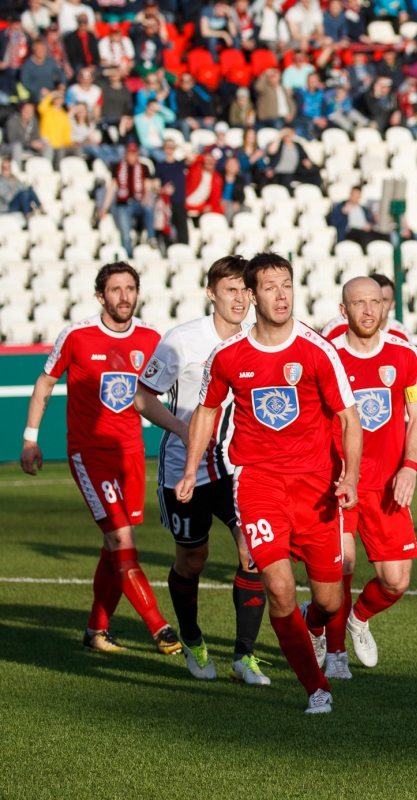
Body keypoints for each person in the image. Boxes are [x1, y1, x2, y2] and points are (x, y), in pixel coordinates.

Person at [177, 252, 363, 714]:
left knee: (329, 599)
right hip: (257, 484)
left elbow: (349, 417)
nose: (281, 295)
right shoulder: (228, 355)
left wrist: (351, 475)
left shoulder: (317, 350)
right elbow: (205, 412)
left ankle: (310, 623)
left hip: (317, 487)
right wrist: (189, 469)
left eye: (287, 285)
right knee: (278, 587)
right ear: (253, 295)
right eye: (270, 287)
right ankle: (316, 689)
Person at [20, 262, 181, 656]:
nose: (124, 296)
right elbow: (45, 381)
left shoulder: (151, 338)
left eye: (130, 288)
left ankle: (96, 629)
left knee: (114, 545)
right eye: (115, 289)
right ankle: (160, 628)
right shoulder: (77, 335)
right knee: (122, 540)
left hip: (132, 456)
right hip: (90, 454)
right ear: (100, 296)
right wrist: (30, 438)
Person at [133, 257, 269, 684]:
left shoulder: (258, 338)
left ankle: (244, 657)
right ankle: (192, 638)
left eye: (246, 291)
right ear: (211, 293)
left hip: (236, 468)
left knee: (254, 555)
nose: (240, 299)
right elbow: (142, 397)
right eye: (231, 290)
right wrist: (186, 429)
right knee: (192, 561)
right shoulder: (182, 340)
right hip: (183, 468)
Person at [310, 276, 417, 679]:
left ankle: (357, 619)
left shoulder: (405, 355)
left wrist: (409, 467)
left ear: (385, 307)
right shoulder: (328, 356)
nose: (368, 310)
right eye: (358, 303)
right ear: (344, 311)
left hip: (388, 484)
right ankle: (335, 651)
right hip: (340, 482)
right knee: (342, 568)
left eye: (374, 302)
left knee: (395, 582)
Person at [320, 272, 412, 341]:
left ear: (392, 305)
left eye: (377, 301)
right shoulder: (336, 328)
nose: (370, 309)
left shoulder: (401, 335)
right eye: (361, 301)